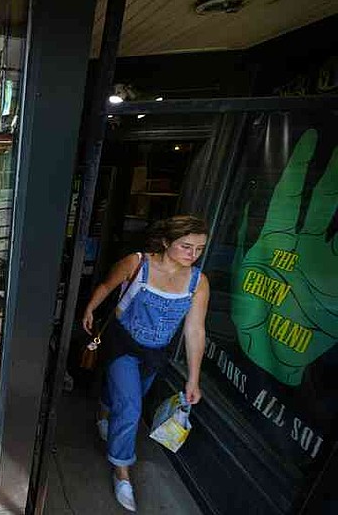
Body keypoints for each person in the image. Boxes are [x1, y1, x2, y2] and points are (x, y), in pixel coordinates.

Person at [82, 215, 209, 512]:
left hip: (155, 353)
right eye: (186, 246)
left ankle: (103, 410)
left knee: (127, 396)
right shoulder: (137, 263)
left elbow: (195, 330)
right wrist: (90, 308)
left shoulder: (198, 282)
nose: (193, 255)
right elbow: (107, 286)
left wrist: (193, 379)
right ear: (165, 242)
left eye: (199, 249)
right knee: (131, 407)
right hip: (123, 344)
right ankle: (121, 472)